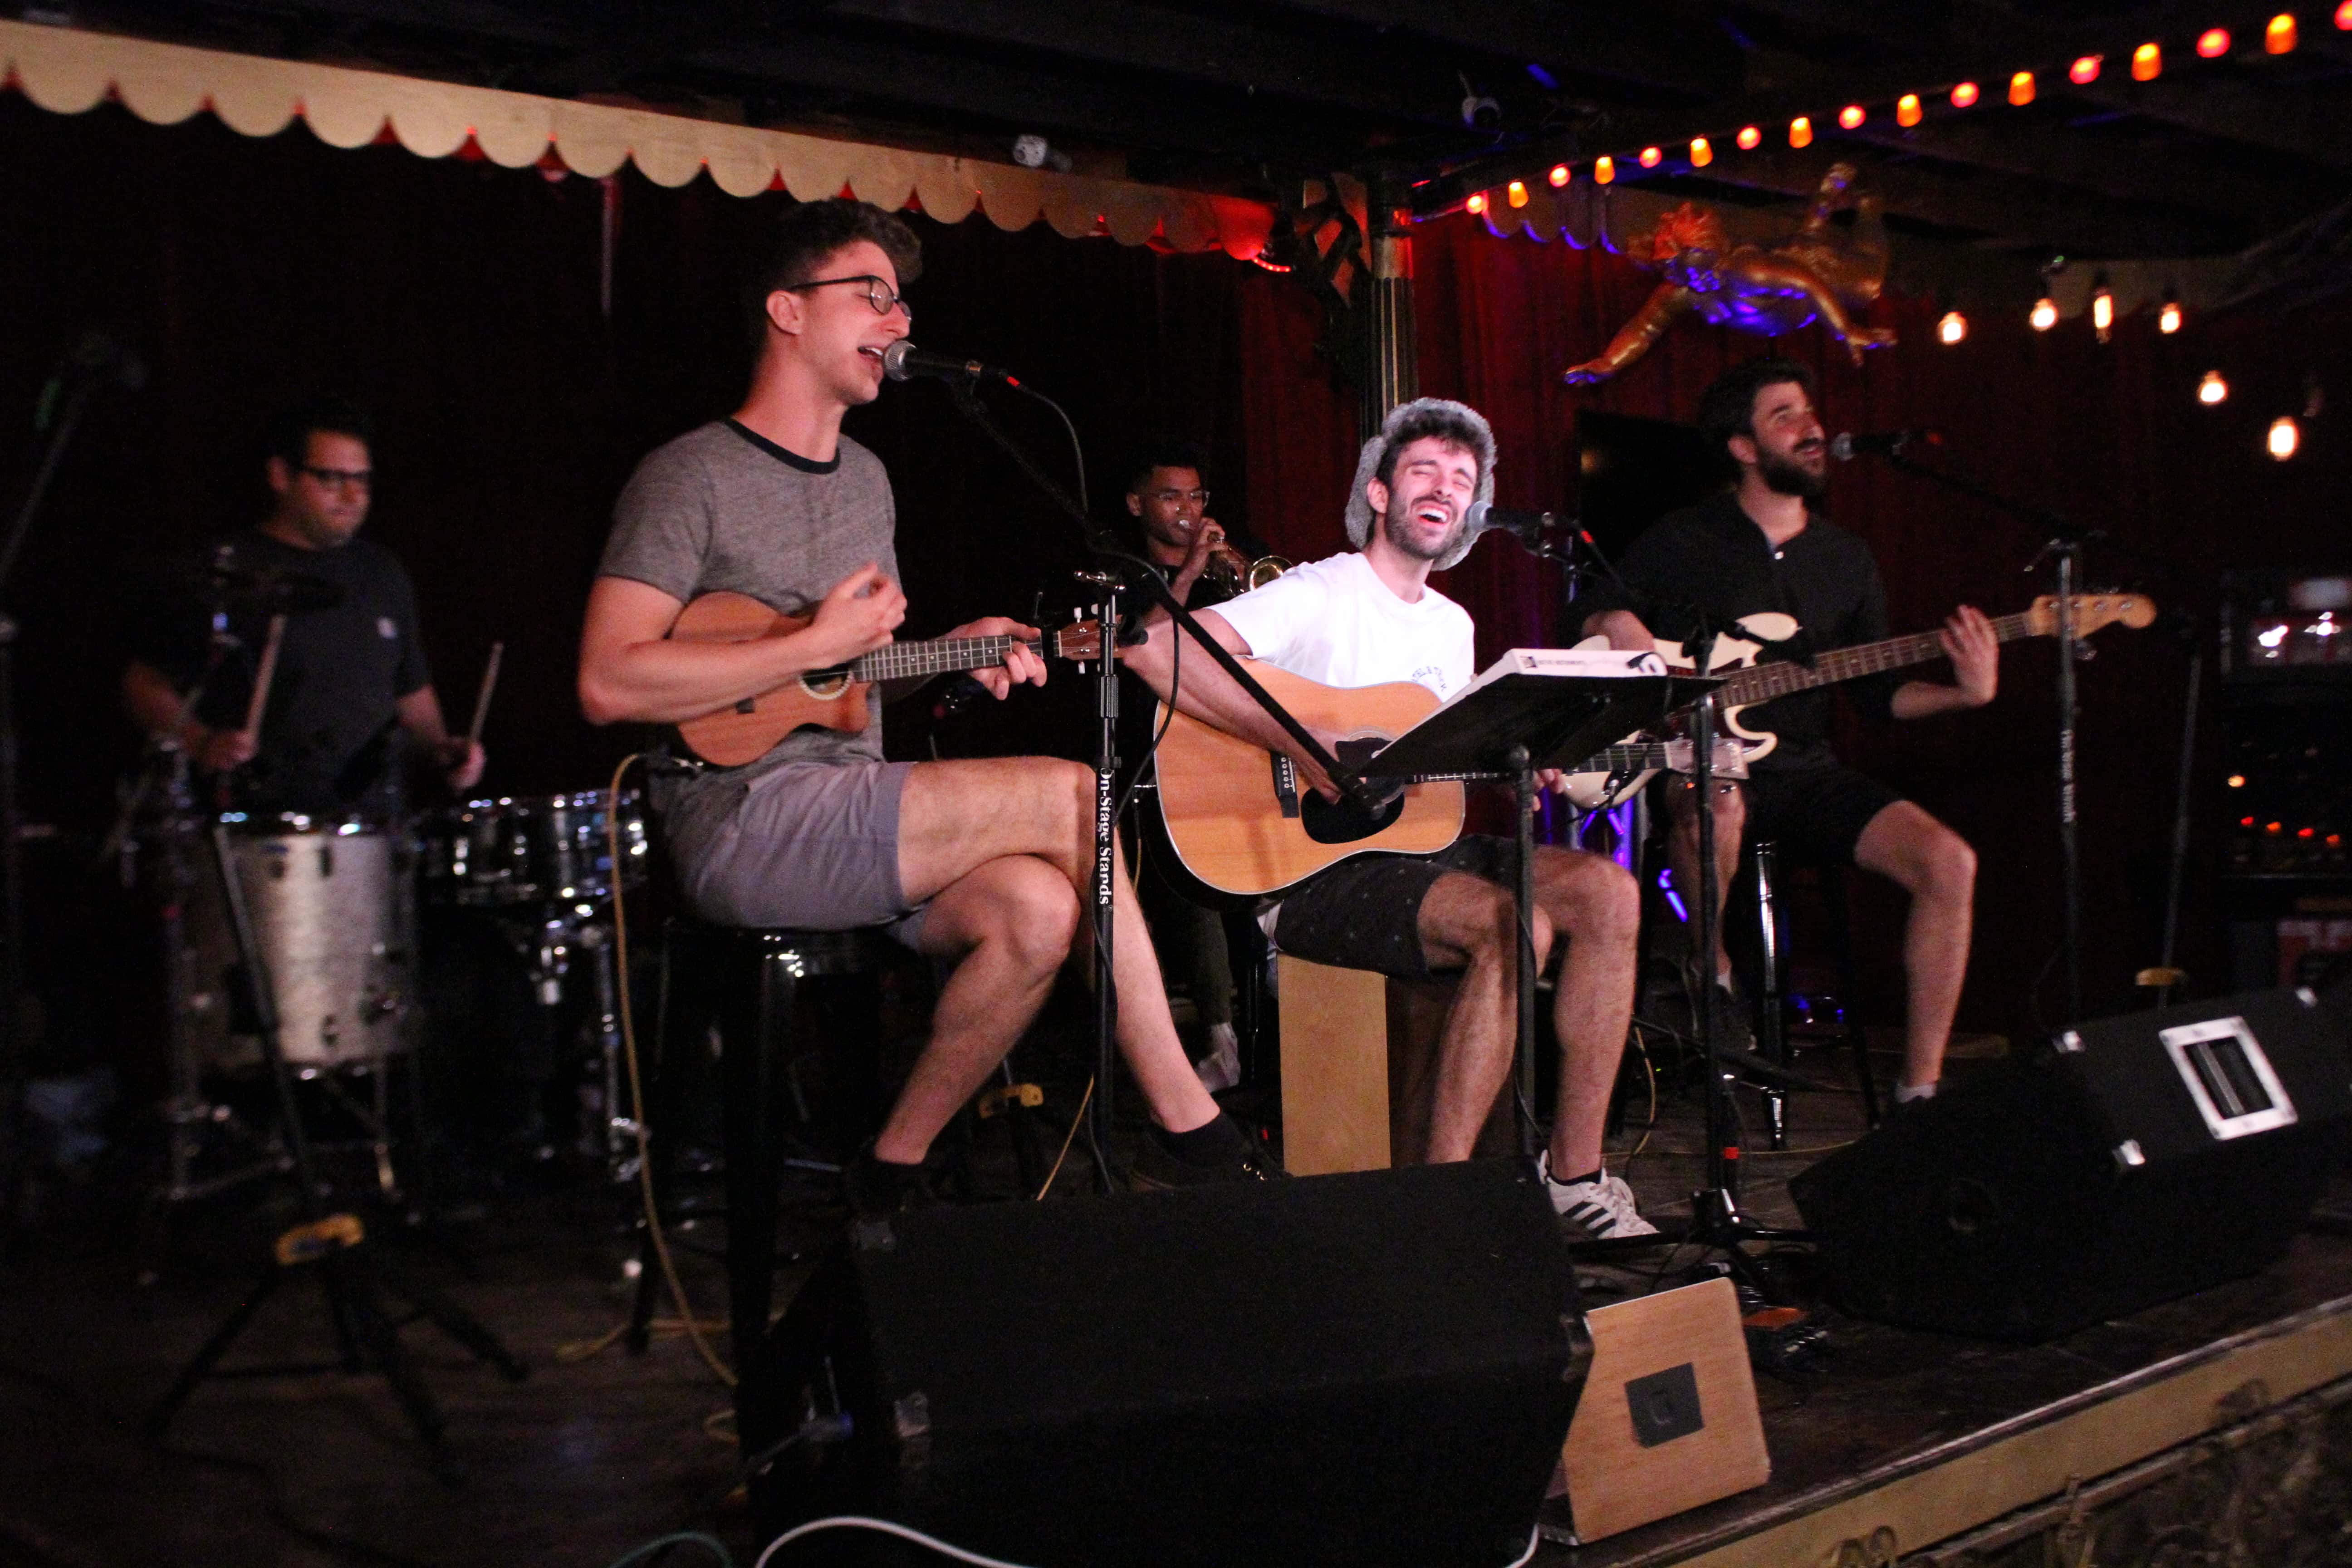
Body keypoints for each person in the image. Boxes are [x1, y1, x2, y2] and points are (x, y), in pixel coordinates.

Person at [576, 197, 1266, 1212]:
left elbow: (850, 678)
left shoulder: (868, 481)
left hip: (860, 808)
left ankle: (890, 1170)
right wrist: (817, 642)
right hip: (741, 822)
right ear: (787, 311)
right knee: (1078, 799)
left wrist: (953, 654)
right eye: (871, 297)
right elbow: (607, 680)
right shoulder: (691, 477)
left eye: (901, 303)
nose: (900, 323)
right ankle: (1186, 1118)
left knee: (1040, 910)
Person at [1124, 398, 1655, 1240]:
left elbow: (1435, 775)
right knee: (1513, 927)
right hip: (1306, 872)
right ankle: (1439, 1203)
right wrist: (1299, 744)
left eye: (1461, 478)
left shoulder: (1453, 625)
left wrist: (1526, 764)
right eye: (1423, 471)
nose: (1443, 487)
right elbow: (1153, 650)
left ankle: (1574, 1176)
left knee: (1609, 894)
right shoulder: (1318, 591)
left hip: (1415, 851)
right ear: (1378, 493)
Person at [1575, 357, 1994, 1107]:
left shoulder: (1845, 559)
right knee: (1719, 799)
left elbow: (1878, 698)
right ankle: (1714, 975)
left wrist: (1963, 693)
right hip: (1700, 760)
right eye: (1785, 416)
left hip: (1804, 772)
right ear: (1741, 446)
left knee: (1949, 862)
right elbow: (1599, 611)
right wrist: (1651, 662)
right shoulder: (1683, 537)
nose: (1812, 430)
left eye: (1809, 413)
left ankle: (1919, 1093)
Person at [123, 396, 485, 817]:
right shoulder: (225, 572)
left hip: (374, 826)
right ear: (281, 475)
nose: (353, 496)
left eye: (363, 480)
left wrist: (448, 753)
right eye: (332, 479)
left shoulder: (383, 573)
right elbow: (144, 684)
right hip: (264, 825)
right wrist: (201, 742)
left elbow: (411, 693)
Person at [1119, 440, 1255, 1092]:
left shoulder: (1227, 571)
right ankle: (1219, 1036)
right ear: (1137, 503)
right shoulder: (1121, 573)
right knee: (1195, 889)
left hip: (1238, 748)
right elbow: (1135, 647)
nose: (1187, 509)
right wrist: (1186, 573)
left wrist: (1240, 571)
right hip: (1159, 756)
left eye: (1196, 496)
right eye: (1171, 496)